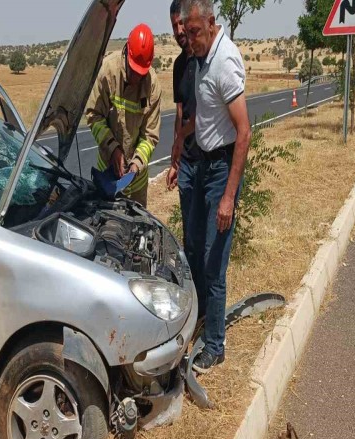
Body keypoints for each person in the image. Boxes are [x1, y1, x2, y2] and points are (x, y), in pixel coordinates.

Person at [175, 0, 252, 373]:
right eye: (186, 33)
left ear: (211, 22)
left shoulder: (224, 62)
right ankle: (203, 322)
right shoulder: (202, 57)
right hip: (202, 166)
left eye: (194, 32)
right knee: (193, 250)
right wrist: (177, 153)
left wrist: (228, 197)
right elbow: (200, 118)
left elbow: (244, 132)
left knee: (212, 262)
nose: (189, 40)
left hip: (221, 171)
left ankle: (216, 345)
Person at [85, 23, 162, 207]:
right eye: (134, 71)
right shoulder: (108, 72)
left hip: (137, 182)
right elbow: (93, 116)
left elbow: (150, 136)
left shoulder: (152, 85)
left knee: (138, 230)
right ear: (126, 52)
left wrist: (135, 165)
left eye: (141, 74)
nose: (137, 78)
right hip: (107, 175)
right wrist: (113, 149)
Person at [167, 0, 205, 316]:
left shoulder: (206, 59)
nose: (179, 32)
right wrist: (174, 159)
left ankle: (207, 303)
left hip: (210, 161)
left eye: (182, 25)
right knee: (189, 238)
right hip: (189, 162)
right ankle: (194, 304)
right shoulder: (180, 65)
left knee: (206, 239)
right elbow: (180, 113)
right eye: (174, 27)